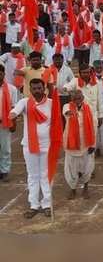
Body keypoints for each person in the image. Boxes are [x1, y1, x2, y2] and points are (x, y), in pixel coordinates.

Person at [9, 79, 56, 219]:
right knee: (33, 176)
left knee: (46, 175)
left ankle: (47, 204)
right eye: (34, 88)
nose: (37, 91)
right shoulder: (24, 102)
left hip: (47, 145)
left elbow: (57, 124)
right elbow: (15, 111)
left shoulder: (51, 104)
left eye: (39, 88)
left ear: (44, 89)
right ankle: (34, 205)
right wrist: (12, 115)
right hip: (29, 146)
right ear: (30, 90)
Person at [62, 89, 96, 200]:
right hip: (72, 145)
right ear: (71, 99)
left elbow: (94, 126)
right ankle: (73, 189)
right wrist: (70, 113)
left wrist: (93, 144)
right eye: (75, 98)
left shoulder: (88, 108)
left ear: (82, 98)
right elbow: (66, 112)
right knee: (71, 169)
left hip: (86, 144)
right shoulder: (67, 106)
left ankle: (86, 187)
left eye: (79, 98)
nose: (77, 100)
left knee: (87, 168)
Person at [0, 65, 19, 182]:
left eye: (0, 73)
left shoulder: (12, 89)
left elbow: (14, 108)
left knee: (5, 148)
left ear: (3, 74)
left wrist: (14, 122)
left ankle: (4, 170)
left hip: (5, 123)